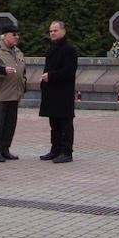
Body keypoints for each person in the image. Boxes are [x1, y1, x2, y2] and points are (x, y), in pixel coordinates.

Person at [0, 22, 26, 162]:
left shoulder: (18, 52)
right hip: (0, 95)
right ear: (5, 35)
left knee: (10, 124)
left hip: (14, 94)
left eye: (18, 35)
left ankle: (5, 149)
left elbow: (23, 71)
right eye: (14, 35)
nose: (17, 37)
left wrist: (24, 84)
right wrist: (3, 71)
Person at [39, 20, 78, 163]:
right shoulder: (51, 49)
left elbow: (69, 70)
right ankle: (55, 149)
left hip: (63, 93)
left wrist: (51, 76)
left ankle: (66, 152)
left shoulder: (69, 49)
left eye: (55, 30)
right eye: (51, 31)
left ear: (64, 31)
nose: (53, 33)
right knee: (53, 122)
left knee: (65, 123)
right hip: (51, 92)